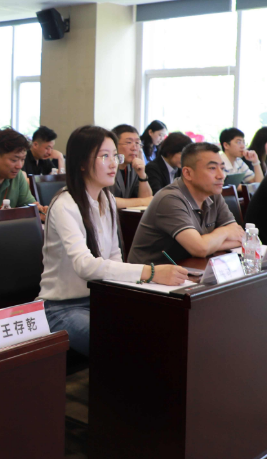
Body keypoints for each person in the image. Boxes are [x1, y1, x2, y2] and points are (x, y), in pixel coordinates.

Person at [40, 126, 189, 355]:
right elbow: (84, 265)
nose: (113, 164)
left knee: (160, 324)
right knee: (120, 341)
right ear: (82, 163)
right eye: (104, 156)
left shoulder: (106, 199)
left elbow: (113, 257)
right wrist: (150, 272)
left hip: (100, 297)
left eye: (114, 156)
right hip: (61, 308)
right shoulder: (64, 205)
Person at [129, 142, 245, 265]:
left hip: (189, 267)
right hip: (152, 274)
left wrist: (208, 244)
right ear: (188, 173)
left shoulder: (213, 193)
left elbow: (240, 237)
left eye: (222, 168)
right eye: (212, 168)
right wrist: (224, 232)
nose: (221, 176)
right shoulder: (169, 199)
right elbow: (200, 249)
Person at [110, 125, 154, 209]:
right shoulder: (108, 167)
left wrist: (142, 175)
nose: (134, 148)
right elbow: (106, 200)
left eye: (137, 143)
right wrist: (141, 201)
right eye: (129, 142)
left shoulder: (133, 166)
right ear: (114, 145)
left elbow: (147, 200)